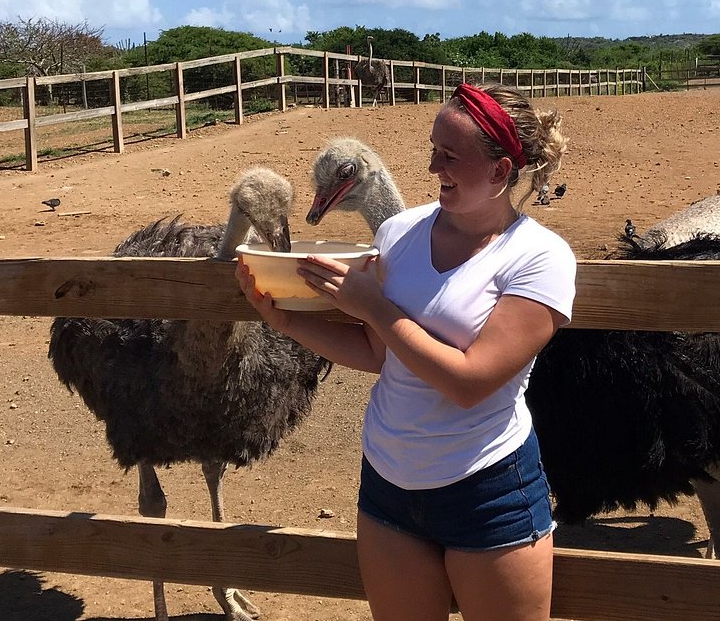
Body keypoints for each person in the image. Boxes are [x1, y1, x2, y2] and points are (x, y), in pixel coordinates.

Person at [237, 83, 575, 621]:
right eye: (434, 150)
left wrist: (372, 305)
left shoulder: (540, 258)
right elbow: (380, 354)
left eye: (451, 156)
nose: (434, 165)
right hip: (388, 484)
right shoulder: (398, 232)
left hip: (485, 489)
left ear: (499, 171)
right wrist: (279, 318)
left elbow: (469, 382)